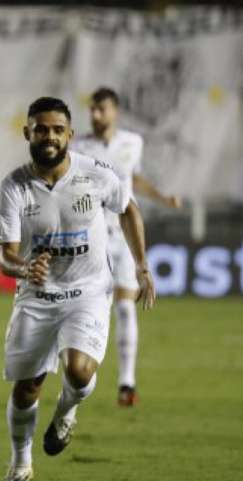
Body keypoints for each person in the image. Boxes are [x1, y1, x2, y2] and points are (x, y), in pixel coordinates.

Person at [0, 97, 155, 481]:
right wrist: (24, 267)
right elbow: (6, 257)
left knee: (79, 371)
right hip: (37, 296)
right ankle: (20, 463)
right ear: (27, 132)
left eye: (56, 129)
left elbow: (129, 208)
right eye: (41, 129)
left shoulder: (96, 173)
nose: (49, 136)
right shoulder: (14, 187)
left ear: (70, 134)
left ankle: (66, 412)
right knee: (27, 387)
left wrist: (141, 265)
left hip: (88, 292)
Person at [71, 87, 181, 406]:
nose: (95, 115)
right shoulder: (79, 146)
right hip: (91, 236)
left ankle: (127, 383)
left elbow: (134, 179)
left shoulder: (132, 143)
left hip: (124, 235)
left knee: (124, 305)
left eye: (101, 109)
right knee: (95, 309)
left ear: (115, 111)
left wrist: (161, 198)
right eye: (92, 109)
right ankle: (82, 377)